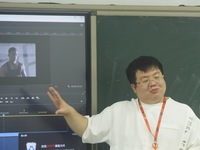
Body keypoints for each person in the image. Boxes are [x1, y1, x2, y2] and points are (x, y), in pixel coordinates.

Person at [47, 56, 200, 150]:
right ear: (134, 87)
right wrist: (69, 112)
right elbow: (87, 129)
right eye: (145, 80)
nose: (153, 83)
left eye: (157, 77)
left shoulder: (183, 112)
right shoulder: (119, 111)